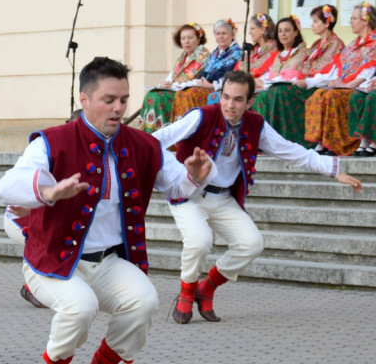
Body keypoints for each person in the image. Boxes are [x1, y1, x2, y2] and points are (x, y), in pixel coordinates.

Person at [0, 57, 215, 364]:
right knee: (80, 308)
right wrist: (47, 192)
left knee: (144, 302)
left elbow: (178, 185)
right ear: (84, 99)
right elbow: (6, 187)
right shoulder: (52, 141)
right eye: (109, 99)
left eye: (124, 100)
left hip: (110, 260)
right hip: (54, 258)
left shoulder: (143, 144)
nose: (118, 108)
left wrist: (194, 175)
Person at [152, 70, 362, 325]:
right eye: (226, 97)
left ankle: (206, 288)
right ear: (219, 96)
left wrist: (332, 170)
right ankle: (186, 292)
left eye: (238, 99)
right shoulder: (200, 116)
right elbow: (158, 139)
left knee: (252, 244)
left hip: (223, 197)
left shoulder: (256, 124)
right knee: (199, 240)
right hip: (189, 193)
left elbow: (290, 150)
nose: (231, 105)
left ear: (249, 102)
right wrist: (168, 173)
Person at [252, 5, 344, 146]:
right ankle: (266, 142)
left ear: (327, 23)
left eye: (315, 21)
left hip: (318, 86)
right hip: (306, 84)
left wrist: (307, 82)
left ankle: (287, 141)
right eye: (280, 31)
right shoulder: (316, 45)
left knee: (279, 92)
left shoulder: (335, 45)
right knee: (266, 93)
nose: (312, 25)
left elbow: (332, 74)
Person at [301, 2, 376, 156]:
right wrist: (336, 81)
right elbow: (340, 69)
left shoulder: (373, 43)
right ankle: (323, 141)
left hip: (360, 86)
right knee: (319, 94)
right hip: (348, 84)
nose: (351, 22)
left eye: (354, 18)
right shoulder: (352, 46)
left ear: (365, 20)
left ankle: (339, 143)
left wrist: (347, 85)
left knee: (332, 96)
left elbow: (368, 71)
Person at [139, 22, 210, 132]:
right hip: (176, 89)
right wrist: (165, 84)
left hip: (188, 91)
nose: (186, 41)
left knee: (159, 97)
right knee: (152, 94)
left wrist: (174, 85)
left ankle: (165, 133)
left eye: (190, 37)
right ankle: (151, 135)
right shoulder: (181, 58)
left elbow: (200, 80)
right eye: (183, 38)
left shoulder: (204, 56)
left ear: (199, 38)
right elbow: (171, 77)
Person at [171, 19, 241, 118]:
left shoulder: (237, 53)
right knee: (181, 93)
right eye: (218, 34)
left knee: (188, 94)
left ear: (232, 35)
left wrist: (212, 85)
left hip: (222, 89)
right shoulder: (214, 54)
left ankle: (194, 128)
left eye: (224, 33)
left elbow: (232, 77)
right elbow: (204, 74)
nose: (220, 37)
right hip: (206, 86)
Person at [234, 14, 278, 79]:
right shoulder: (252, 51)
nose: (249, 32)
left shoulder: (275, 50)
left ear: (263, 29)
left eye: (252, 28)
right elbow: (236, 71)